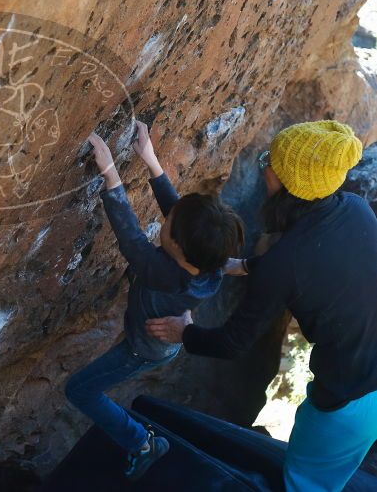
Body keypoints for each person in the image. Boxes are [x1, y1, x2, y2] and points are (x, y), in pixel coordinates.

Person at [146, 120, 377, 492]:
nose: (264, 166)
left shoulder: (286, 262)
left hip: (347, 403)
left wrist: (183, 332)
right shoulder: (354, 208)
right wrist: (247, 265)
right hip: (369, 391)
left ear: (288, 184)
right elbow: (324, 263)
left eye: (270, 161)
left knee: (302, 486)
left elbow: (233, 342)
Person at [65, 120, 245, 481]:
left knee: (80, 390)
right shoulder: (210, 264)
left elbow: (132, 240)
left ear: (176, 246)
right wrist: (151, 161)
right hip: (158, 340)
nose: (166, 216)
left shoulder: (165, 274)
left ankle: (141, 443)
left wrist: (111, 174)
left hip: (142, 350)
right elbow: (182, 218)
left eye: (168, 223)